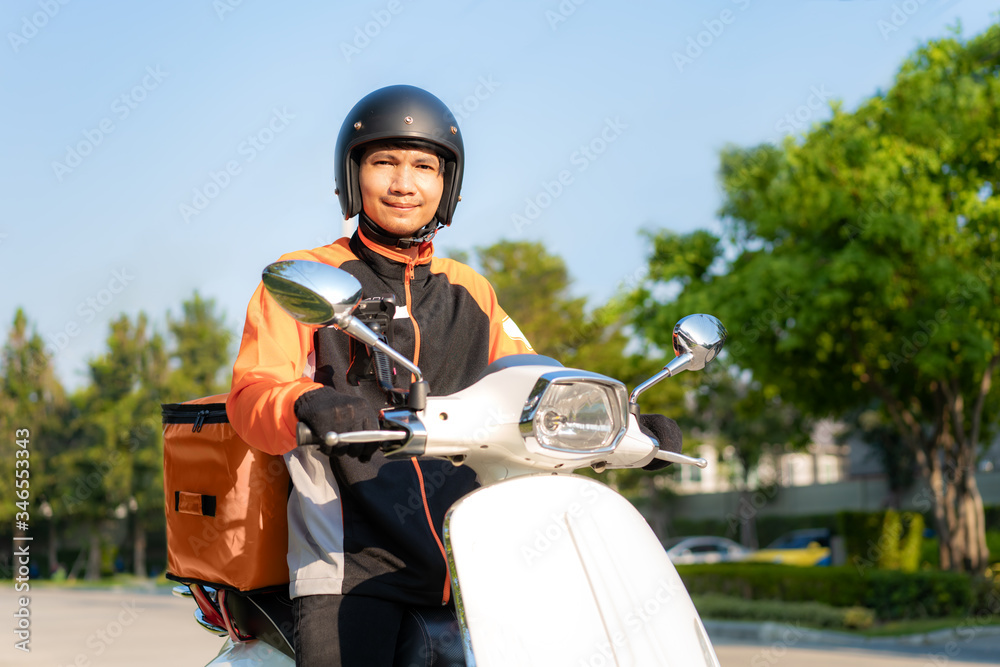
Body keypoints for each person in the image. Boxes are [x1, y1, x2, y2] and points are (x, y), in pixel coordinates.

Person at [226, 84, 678, 667]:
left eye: (424, 166)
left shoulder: (471, 289)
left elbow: (538, 388)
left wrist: (622, 426)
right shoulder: (306, 277)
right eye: (383, 162)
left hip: (475, 556)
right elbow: (252, 393)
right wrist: (305, 404)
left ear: (448, 185)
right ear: (352, 174)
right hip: (351, 562)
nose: (403, 184)